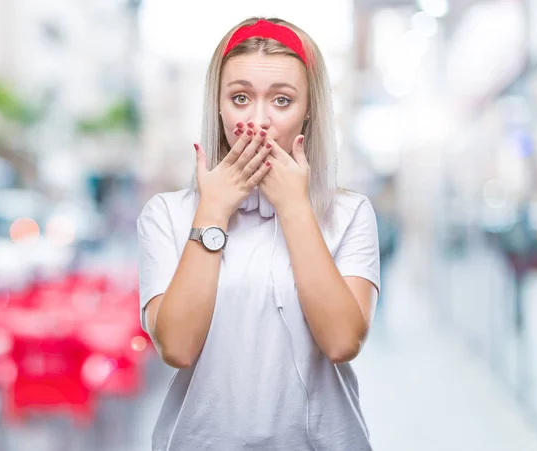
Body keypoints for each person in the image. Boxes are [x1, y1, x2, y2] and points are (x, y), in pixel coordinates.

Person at [137, 17, 380, 451]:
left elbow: (343, 341)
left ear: (309, 109)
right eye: (241, 97)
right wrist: (212, 211)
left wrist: (293, 207)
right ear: (218, 105)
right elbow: (176, 347)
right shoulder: (167, 215)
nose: (258, 121)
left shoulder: (349, 213)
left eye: (282, 100)